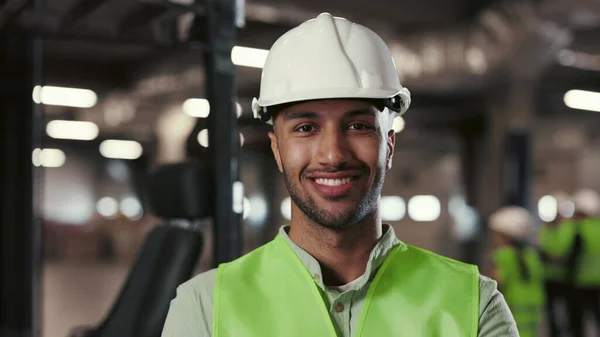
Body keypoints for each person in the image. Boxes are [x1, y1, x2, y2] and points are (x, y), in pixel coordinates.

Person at [162, 12, 517, 337]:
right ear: (276, 149)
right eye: (305, 128)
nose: (333, 154)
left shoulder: (474, 304)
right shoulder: (205, 308)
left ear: (389, 146)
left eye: (359, 125)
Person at [488, 206, 545, 337]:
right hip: (532, 310)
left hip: (511, 308)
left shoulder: (501, 255)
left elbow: (496, 282)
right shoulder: (532, 255)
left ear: (504, 235)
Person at [538, 192, 576, 336]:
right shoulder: (546, 229)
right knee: (552, 314)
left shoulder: (569, 228)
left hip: (566, 277)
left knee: (568, 311)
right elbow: (543, 248)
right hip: (549, 277)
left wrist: (553, 256)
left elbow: (562, 249)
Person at [565, 188, 600, 337]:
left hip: (579, 283)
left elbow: (572, 257)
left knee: (577, 324)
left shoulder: (577, 230)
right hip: (598, 283)